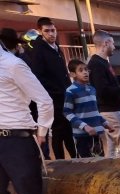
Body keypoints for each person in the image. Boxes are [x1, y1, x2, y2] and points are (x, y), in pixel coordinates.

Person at [0, 44, 53, 194]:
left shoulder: (13, 65)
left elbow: (44, 100)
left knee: (28, 193)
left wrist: (41, 131)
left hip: (17, 138)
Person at [28, 17, 75, 160]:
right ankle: (61, 161)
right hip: (53, 98)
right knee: (58, 131)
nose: (51, 34)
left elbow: (62, 73)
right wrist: (54, 92)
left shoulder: (56, 48)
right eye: (47, 31)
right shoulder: (38, 50)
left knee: (67, 129)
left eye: (53, 30)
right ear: (40, 32)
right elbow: (38, 76)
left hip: (64, 95)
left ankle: (74, 157)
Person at [88, 30, 120, 158]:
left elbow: (111, 83)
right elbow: (103, 91)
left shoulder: (102, 62)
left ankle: (112, 176)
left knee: (111, 152)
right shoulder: (97, 64)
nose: (114, 47)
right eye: (113, 44)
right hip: (113, 112)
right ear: (106, 43)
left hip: (109, 112)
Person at [64, 59, 114, 158]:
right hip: (82, 136)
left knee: (99, 162)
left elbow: (95, 112)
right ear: (73, 74)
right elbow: (67, 112)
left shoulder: (92, 89)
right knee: (85, 165)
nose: (85, 72)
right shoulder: (71, 91)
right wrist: (84, 126)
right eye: (81, 70)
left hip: (96, 135)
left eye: (86, 69)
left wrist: (105, 123)